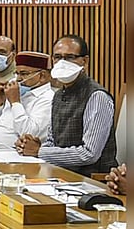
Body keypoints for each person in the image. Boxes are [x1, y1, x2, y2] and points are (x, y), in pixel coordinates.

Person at [16, 35, 117, 176]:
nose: (62, 63)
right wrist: (29, 146)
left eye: (70, 57)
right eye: (57, 57)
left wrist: (39, 151)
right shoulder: (58, 95)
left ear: (85, 61)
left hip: (91, 180)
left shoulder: (97, 96)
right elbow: (52, 142)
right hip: (59, 173)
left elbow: (89, 153)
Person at [0, 51, 53, 147]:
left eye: (24, 73)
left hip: (16, 154)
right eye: (17, 73)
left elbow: (30, 136)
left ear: (42, 76)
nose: (18, 79)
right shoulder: (16, 91)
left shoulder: (48, 99)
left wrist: (15, 102)